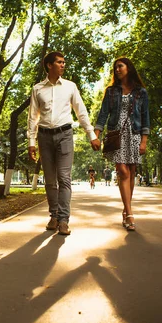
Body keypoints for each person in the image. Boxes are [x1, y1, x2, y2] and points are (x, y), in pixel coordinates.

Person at [28, 51, 101, 235]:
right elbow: (32, 117)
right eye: (59, 62)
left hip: (65, 135)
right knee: (50, 181)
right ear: (49, 65)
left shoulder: (70, 87)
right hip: (44, 137)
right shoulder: (38, 89)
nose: (63, 65)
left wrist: (91, 134)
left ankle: (63, 220)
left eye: (64, 62)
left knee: (64, 178)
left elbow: (81, 111)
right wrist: (31, 141)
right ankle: (54, 215)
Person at [94, 57, 150, 231]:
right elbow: (103, 114)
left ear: (128, 68)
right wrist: (96, 134)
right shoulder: (111, 91)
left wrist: (144, 141)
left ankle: (126, 210)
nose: (117, 69)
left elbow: (145, 116)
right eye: (115, 67)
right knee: (122, 171)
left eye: (120, 66)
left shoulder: (141, 92)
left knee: (131, 172)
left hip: (134, 133)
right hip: (116, 134)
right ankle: (130, 212)